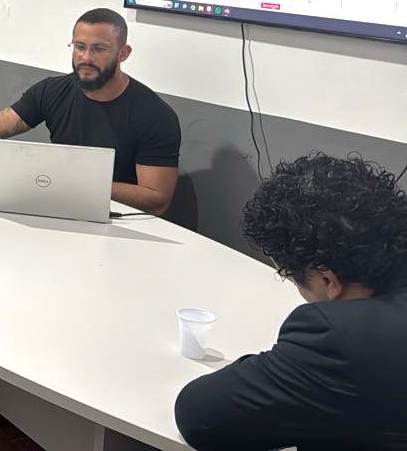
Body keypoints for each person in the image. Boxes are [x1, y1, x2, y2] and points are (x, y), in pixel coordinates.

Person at [174, 153, 407, 449]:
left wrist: (280, 363)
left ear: (327, 281)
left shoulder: (339, 339)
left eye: (292, 277)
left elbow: (200, 415)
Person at [0, 8, 180, 215]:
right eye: (79, 47)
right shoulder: (52, 90)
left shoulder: (155, 115)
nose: (86, 57)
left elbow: (156, 199)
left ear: (123, 53)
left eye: (99, 49)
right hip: (58, 207)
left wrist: (74, 183)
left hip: (117, 218)